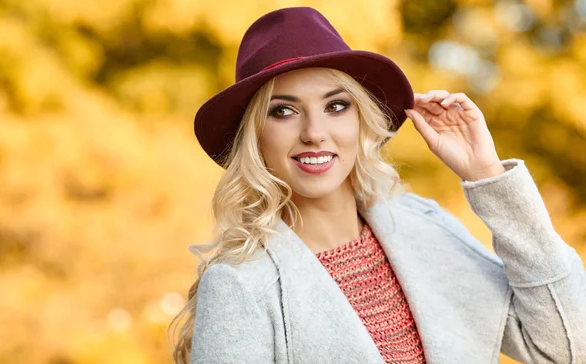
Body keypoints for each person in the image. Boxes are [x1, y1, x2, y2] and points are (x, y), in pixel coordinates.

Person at [171, 6, 586, 364]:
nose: (315, 133)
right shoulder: (238, 286)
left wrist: (488, 177)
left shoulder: (425, 227)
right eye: (283, 112)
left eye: (336, 106)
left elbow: (566, 347)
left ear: (361, 120)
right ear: (255, 137)